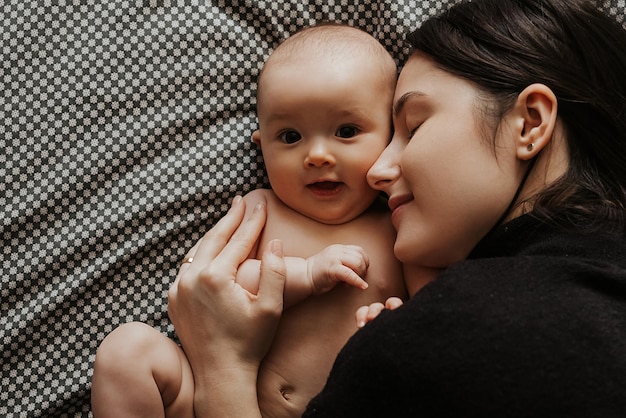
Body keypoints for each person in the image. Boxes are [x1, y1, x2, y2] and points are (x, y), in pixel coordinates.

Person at [166, 0, 626, 416]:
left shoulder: (461, 330)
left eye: (413, 125)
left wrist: (222, 367)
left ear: (529, 122)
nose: (377, 170)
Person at [91, 24, 413, 418]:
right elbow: (211, 287)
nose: (317, 155)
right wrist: (307, 274)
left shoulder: (398, 227)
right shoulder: (259, 208)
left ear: (393, 136)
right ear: (262, 147)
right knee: (127, 349)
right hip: (208, 395)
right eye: (291, 137)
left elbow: (431, 312)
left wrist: (396, 325)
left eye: (346, 131)